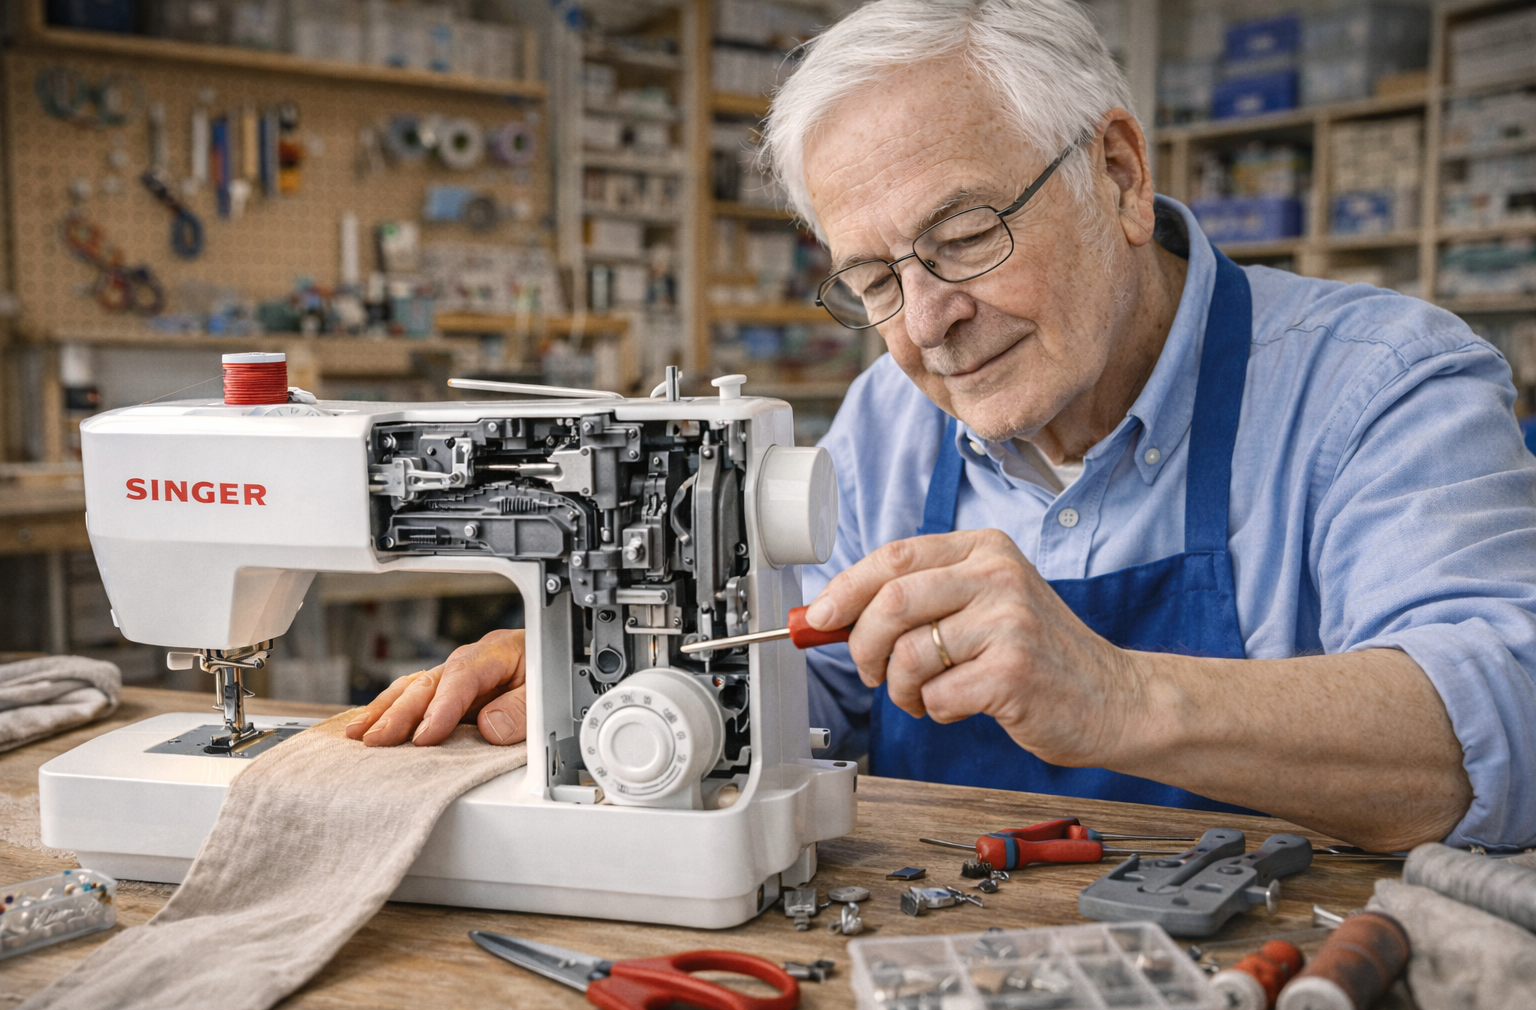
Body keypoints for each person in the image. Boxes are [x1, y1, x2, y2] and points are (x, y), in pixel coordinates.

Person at [347, 0, 1536, 854]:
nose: (929, 322)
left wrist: (1117, 697)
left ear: (1118, 174)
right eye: (874, 278)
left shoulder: (1380, 381)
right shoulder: (887, 417)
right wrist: (622, 678)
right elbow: (820, 678)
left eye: (965, 235)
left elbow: (1506, 720)